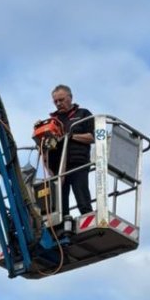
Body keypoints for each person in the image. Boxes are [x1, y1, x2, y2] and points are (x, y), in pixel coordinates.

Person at [41, 85, 95, 220]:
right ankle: (62, 226)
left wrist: (71, 136)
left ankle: (88, 218)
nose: (58, 104)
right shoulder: (52, 121)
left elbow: (95, 137)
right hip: (58, 167)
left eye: (61, 100)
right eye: (56, 101)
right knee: (60, 203)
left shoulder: (83, 114)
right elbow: (44, 146)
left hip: (78, 162)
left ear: (70, 98)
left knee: (82, 197)